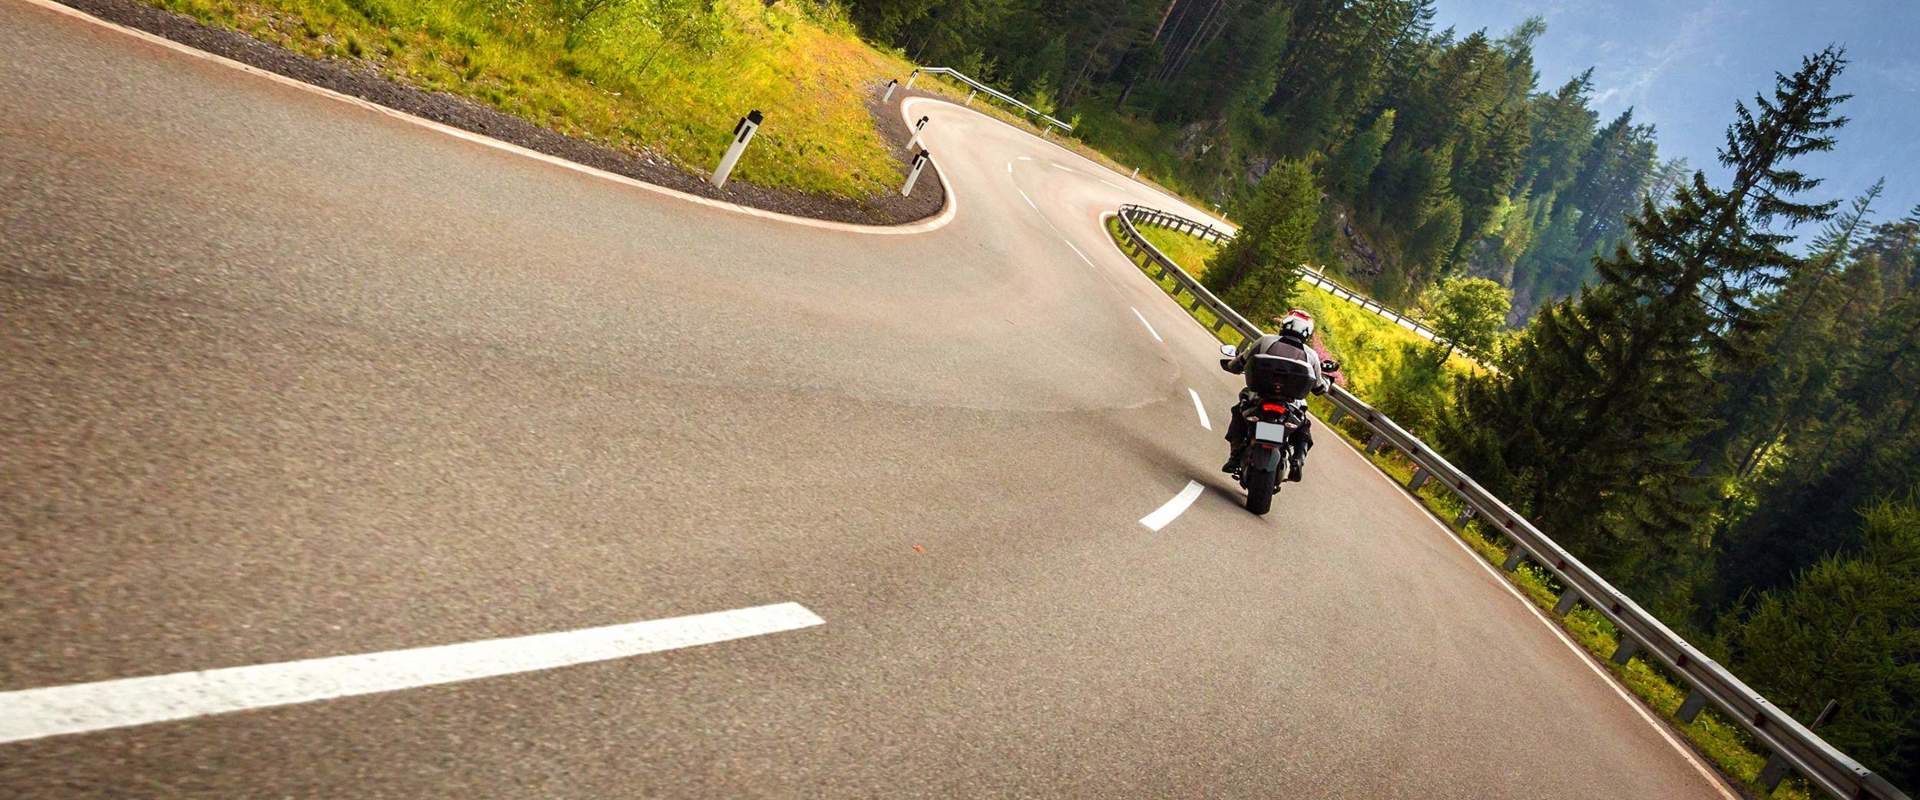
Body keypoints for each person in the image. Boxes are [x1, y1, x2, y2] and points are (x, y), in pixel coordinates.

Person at [1220, 309, 1330, 481]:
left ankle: (1235, 456)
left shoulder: (1265, 340)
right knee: (1303, 427)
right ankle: (1298, 460)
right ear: (1307, 332)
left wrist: (1231, 365)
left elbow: (1239, 362)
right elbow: (1318, 387)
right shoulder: (1311, 355)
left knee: (1239, 412)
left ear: (1284, 324)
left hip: (1260, 396)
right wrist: (1327, 383)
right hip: (1291, 404)